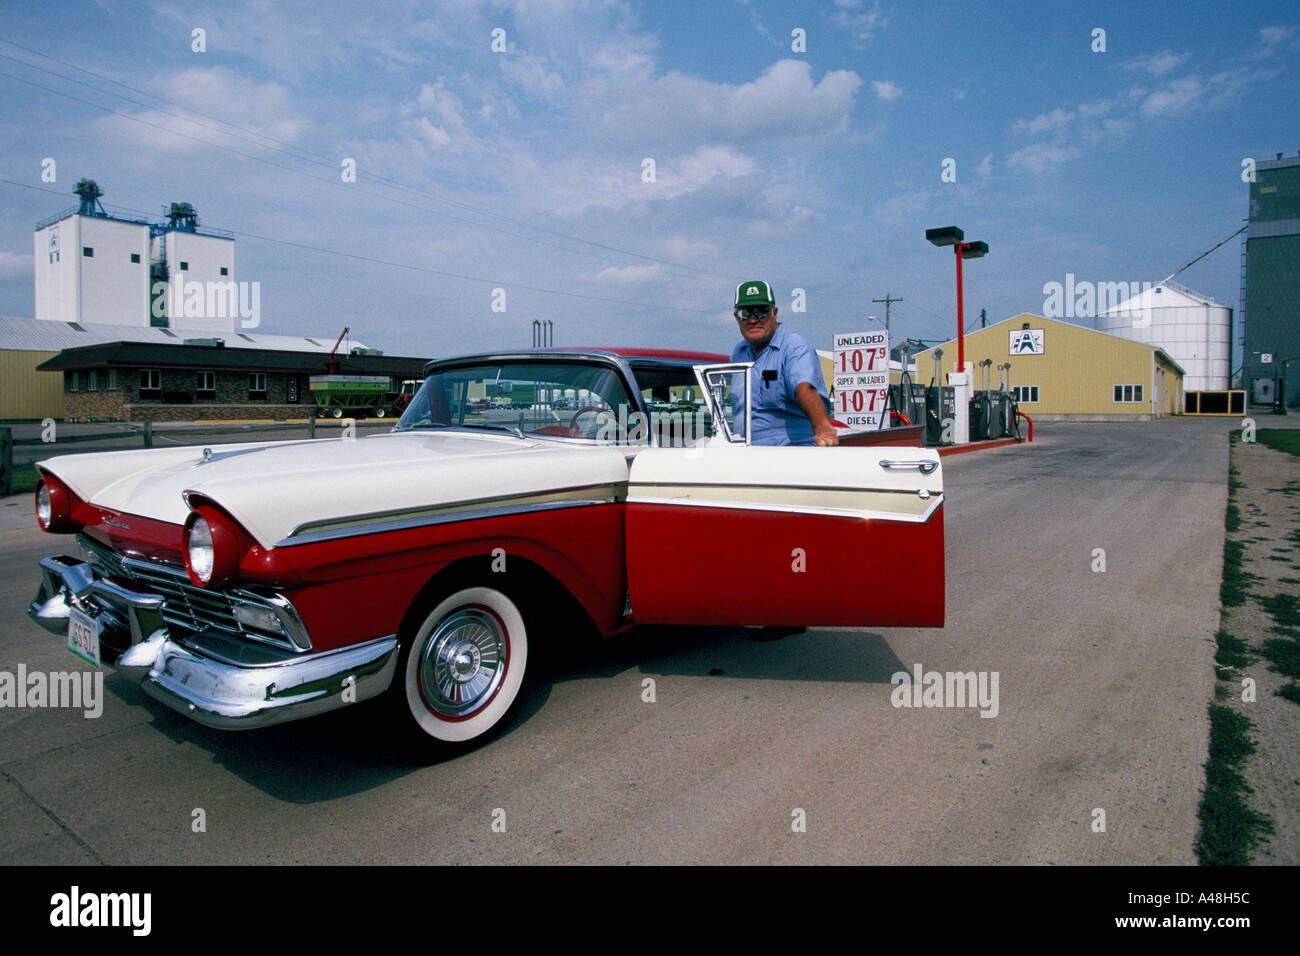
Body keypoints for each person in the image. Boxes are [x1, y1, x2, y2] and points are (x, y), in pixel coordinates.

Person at [729, 280, 838, 446]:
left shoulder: (794, 347)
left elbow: (805, 388)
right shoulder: (738, 353)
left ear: (775, 313)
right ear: (737, 318)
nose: (753, 319)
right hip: (745, 454)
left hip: (788, 455)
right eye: (745, 313)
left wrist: (822, 426)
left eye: (760, 312)